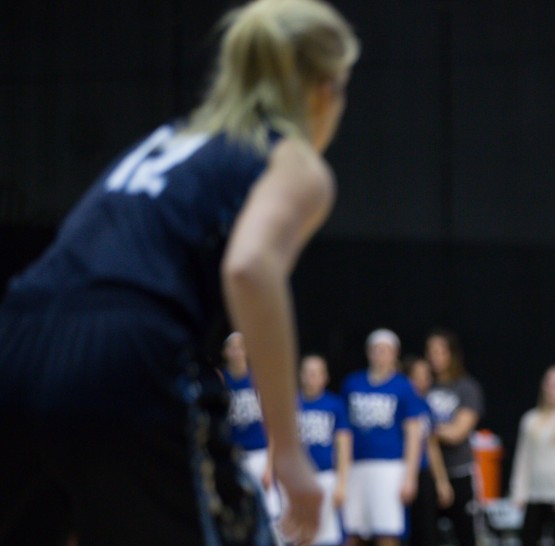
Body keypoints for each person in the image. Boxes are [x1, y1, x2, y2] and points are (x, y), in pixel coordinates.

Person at [0, 1, 359, 544]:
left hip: (18, 337)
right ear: (324, 88)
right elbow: (250, 267)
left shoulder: (169, 138)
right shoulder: (293, 159)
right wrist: (289, 453)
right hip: (126, 345)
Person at [342, 329, 423, 546]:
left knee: (387, 531)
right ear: (368, 352)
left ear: (394, 354)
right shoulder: (352, 383)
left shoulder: (403, 386)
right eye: (376, 350)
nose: (381, 355)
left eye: (386, 350)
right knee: (352, 529)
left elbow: (413, 434)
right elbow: (344, 433)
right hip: (356, 467)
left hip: (390, 467)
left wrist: (410, 476)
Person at [510, 364, 555, 546]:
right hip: (535, 495)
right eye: (549, 384)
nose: (553, 389)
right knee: (528, 538)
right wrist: (518, 492)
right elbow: (523, 459)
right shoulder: (530, 420)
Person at [425, 328, 485, 546]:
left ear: (452, 354)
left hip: (460, 471)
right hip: (427, 474)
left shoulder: (466, 387)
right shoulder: (423, 387)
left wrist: (428, 430)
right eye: (431, 351)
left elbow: (458, 432)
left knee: (465, 534)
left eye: (441, 351)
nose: (435, 356)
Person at [221, 331, 282, 521]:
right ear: (225, 352)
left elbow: (273, 426)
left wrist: (270, 467)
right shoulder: (220, 382)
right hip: (234, 456)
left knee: (271, 514)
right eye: (232, 347)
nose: (237, 352)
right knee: (239, 514)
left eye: (241, 347)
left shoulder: (260, 380)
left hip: (260, 454)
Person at [292, 354, 352, 546]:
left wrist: (342, 482)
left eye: (316, 373)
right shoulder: (292, 404)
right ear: (300, 375)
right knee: (300, 535)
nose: (312, 377)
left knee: (328, 536)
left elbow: (343, 444)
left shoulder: (335, 405)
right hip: (297, 479)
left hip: (325, 477)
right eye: (308, 373)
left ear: (325, 377)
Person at [402, 355, 455, 546]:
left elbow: (432, 446)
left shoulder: (425, 406)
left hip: (423, 473)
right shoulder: (397, 402)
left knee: (426, 532)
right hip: (398, 472)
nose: (425, 380)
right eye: (419, 375)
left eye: (427, 375)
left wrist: (441, 481)